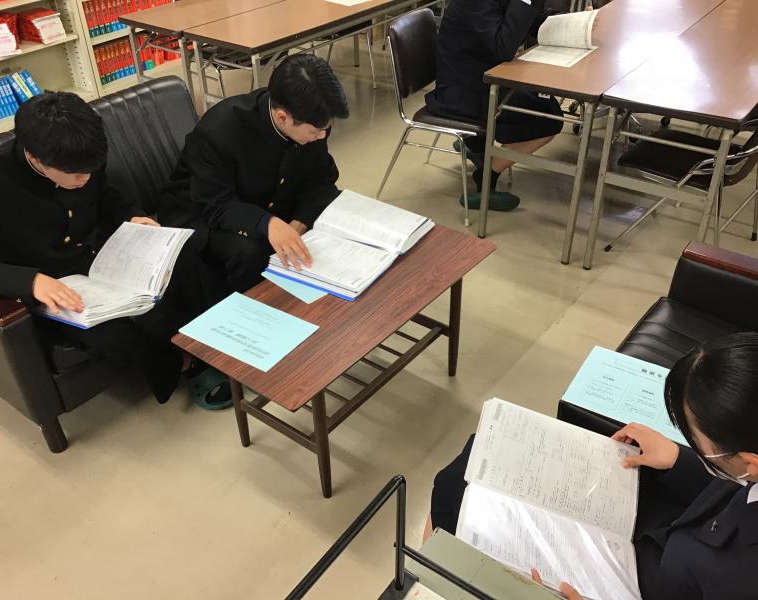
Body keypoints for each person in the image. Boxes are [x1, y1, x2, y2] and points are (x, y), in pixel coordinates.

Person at [425, 332, 758, 600]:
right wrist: (676, 457)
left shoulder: (743, 578)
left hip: (640, 581)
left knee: (454, 500)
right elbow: (731, 486)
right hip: (677, 527)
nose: (691, 443)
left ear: (749, 462)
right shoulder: (745, 471)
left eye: (695, 438)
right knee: (482, 455)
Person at [0, 91, 230, 410]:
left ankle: (213, 343)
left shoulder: (83, 156)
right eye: (75, 174)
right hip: (52, 285)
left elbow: (105, 196)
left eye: (90, 170)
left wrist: (131, 217)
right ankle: (185, 365)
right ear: (34, 157)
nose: (84, 178)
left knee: (185, 262)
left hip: (100, 257)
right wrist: (30, 281)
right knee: (116, 335)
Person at [158, 53, 349, 293]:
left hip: (267, 199)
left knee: (332, 216)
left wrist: (299, 224)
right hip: (204, 211)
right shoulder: (220, 131)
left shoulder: (313, 122)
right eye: (315, 132)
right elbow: (216, 203)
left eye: (326, 129)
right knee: (250, 252)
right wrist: (267, 223)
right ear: (283, 117)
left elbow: (321, 180)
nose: (322, 136)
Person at [425, 0, 565, 212]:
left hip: (483, 80)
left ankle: (476, 147)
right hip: (461, 93)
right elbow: (503, 47)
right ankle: (486, 176)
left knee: (544, 105)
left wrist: (575, 22)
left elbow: (533, 21)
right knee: (548, 119)